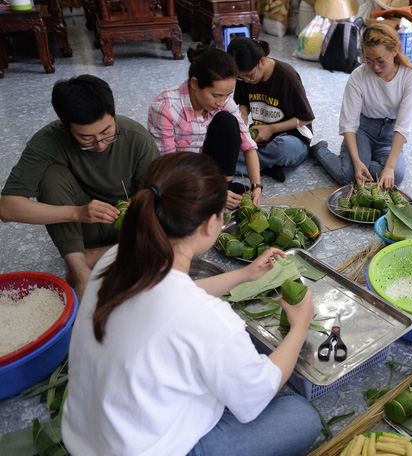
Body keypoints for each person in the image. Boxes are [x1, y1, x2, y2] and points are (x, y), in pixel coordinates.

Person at [61, 152, 320, 456]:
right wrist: (300, 326)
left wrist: (244, 276)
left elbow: (173, 299)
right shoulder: (208, 319)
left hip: (84, 437)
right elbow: (257, 394)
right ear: (211, 224)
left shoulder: (115, 257)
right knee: (301, 417)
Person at [0, 75, 159, 299]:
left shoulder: (136, 137)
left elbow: (158, 192)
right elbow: (7, 208)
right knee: (51, 176)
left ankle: (99, 255)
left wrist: (139, 203)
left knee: (173, 218)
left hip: (129, 227)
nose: (101, 145)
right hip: (82, 227)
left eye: (106, 133)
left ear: (113, 110)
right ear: (64, 124)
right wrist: (77, 212)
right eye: (87, 139)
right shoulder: (47, 141)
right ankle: (81, 272)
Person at [148, 46, 263, 208]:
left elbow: (248, 145)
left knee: (227, 121)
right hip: (179, 175)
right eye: (215, 95)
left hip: (208, 168)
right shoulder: (165, 109)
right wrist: (209, 191)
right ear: (195, 83)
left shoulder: (224, 102)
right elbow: (168, 168)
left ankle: (225, 186)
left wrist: (256, 186)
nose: (221, 102)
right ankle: (218, 192)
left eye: (227, 95)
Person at [312, 24, 412, 190]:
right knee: (349, 175)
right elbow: (348, 123)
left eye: (380, 61)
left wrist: (390, 168)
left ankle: (366, 161)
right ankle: (320, 151)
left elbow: (403, 127)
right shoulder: (359, 75)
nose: (375, 67)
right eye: (369, 61)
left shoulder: (410, 76)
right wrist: (356, 162)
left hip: (390, 134)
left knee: (396, 176)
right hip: (362, 130)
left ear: (396, 50)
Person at [227, 37, 327, 183]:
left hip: (292, 138)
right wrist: (243, 115)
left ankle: (248, 163)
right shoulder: (244, 76)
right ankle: (265, 165)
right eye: (240, 77)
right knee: (225, 141)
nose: (245, 80)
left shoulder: (287, 75)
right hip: (260, 138)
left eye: (248, 75)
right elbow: (243, 103)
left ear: (262, 61)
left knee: (283, 149)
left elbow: (306, 118)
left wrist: (271, 129)